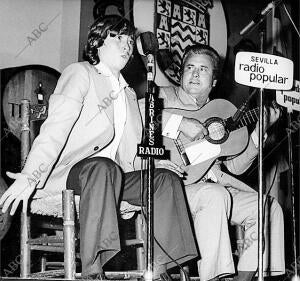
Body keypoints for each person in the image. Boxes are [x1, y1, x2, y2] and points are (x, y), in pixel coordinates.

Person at [0, 15, 198, 279]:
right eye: (117, 37)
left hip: (113, 176)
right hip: (76, 174)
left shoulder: (128, 94)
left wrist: (156, 164)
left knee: (164, 179)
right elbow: (55, 129)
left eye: (129, 39)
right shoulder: (81, 73)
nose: (126, 44)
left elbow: (132, 151)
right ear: (98, 40)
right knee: (103, 167)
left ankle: (163, 265)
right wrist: (30, 174)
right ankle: (93, 268)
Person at [141, 43, 285, 281]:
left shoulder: (223, 111)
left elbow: (237, 167)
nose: (195, 74)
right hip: (172, 187)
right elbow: (139, 111)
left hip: (213, 184)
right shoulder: (164, 96)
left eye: (203, 69)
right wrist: (181, 123)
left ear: (214, 82)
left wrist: (260, 131)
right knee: (215, 195)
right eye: (190, 67)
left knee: (268, 208)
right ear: (182, 73)